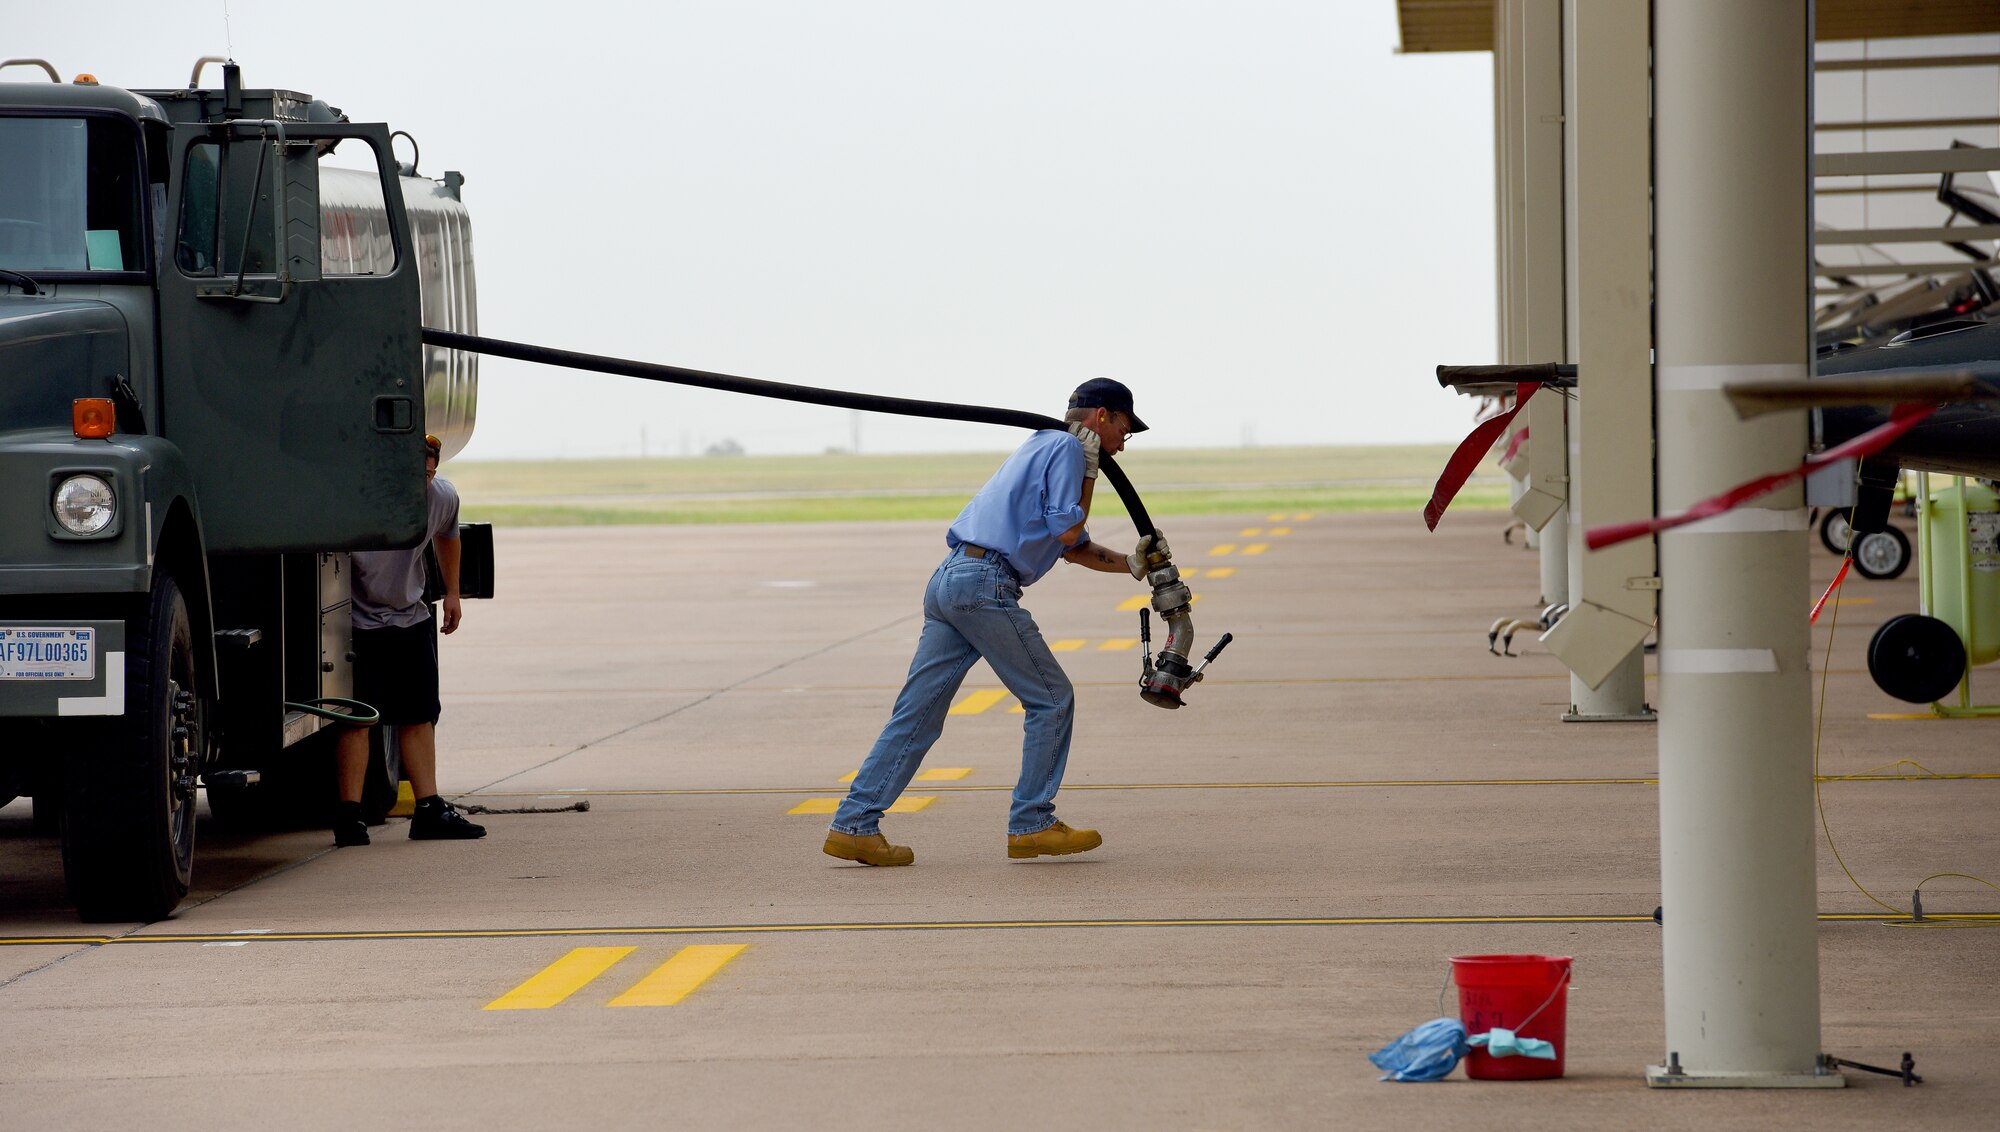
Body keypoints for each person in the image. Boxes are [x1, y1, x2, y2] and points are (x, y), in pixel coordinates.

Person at [825, 378, 1168, 866]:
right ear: (1102, 416)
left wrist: (1133, 565)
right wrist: (1090, 471)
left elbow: (1073, 548)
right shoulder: (1070, 451)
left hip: (953, 579)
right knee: (1052, 699)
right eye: (1124, 430)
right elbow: (1068, 528)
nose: (1123, 445)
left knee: (917, 715)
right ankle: (1032, 822)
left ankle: (854, 824)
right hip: (984, 584)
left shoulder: (1043, 444)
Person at [332, 433, 485, 846]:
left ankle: (429, 809)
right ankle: (348, 816)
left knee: (419, 714)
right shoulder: (355, 496)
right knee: (357, 718)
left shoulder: (441, 497)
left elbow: (448, 536)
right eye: (416, 472)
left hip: (409, 614)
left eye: (429, 472)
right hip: (356, 619)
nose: (423, 480)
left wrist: (452, 592)